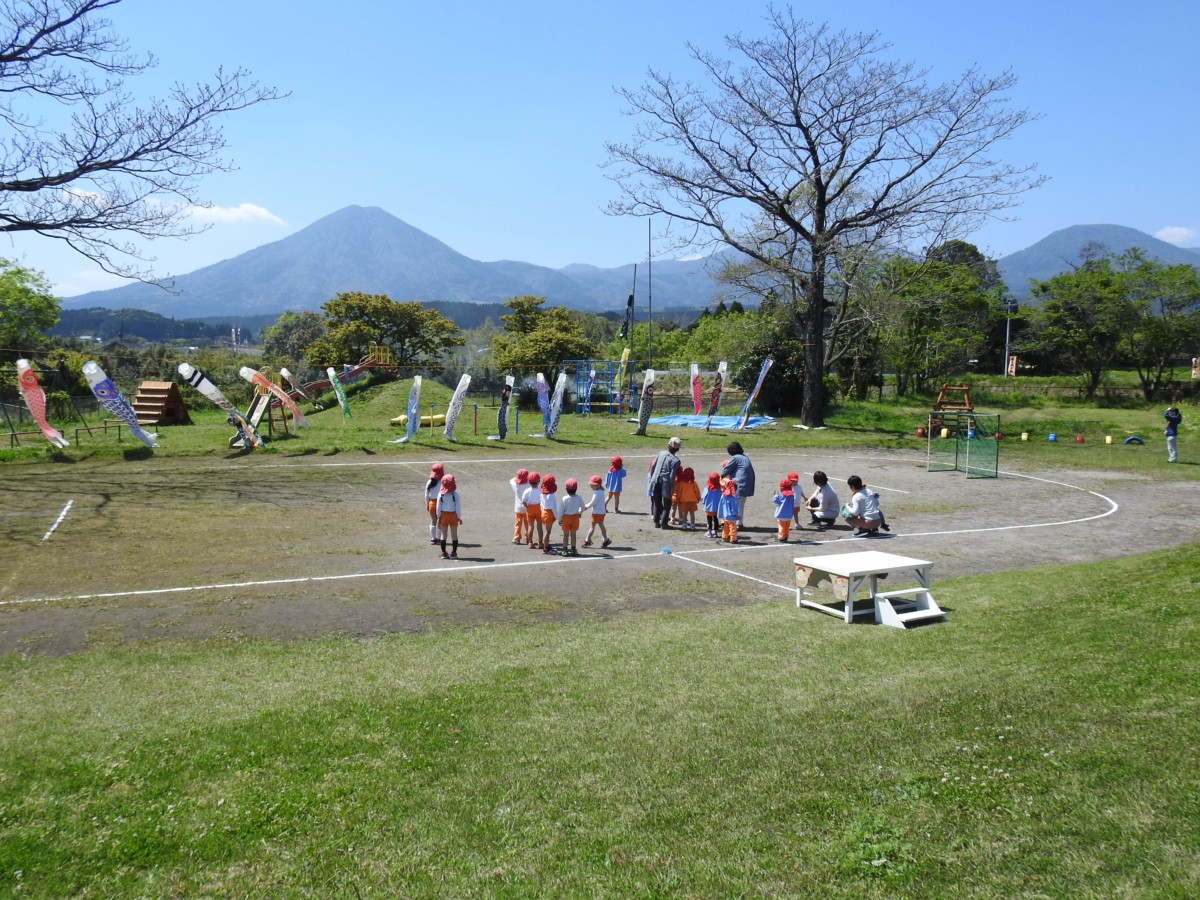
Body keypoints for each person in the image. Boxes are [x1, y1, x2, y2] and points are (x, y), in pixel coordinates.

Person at [648, 436, 683, 528]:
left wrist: (652, 478)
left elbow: (653, 466)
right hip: (666, 483)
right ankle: (664, 523)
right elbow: (672, 476)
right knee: (667, 504)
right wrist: (672, 487)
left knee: (657, 502)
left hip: (655, 480)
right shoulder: (676, 461)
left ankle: (656, 522)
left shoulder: (661, 453)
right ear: (678, 449)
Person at [721, 441, 756, 527]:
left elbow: (725, 471)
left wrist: (723, 479)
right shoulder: (744, 457)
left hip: (740, 484)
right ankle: (739, 523)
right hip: (747, 484)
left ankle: (732, 522)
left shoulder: (735, 458)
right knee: (741, 504)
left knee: (735, 504)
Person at [435, 474, 463, 559]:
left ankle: (444, 553)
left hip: (444, 515)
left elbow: (438, 507)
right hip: (453, 515)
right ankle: (454, 553)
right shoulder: (456, 495)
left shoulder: (441, 495)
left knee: (443, 535)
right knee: (454, 535)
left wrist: (438, 517)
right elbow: (458, 507)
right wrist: (459, 517)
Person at [583, 475, 612, 548]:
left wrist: (585, 507)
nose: (591, 486)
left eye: (593, 485)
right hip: (601, 512)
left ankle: (588, 540)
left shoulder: (597, 493)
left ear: (598, 485)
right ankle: (605, 539)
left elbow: (593, 502)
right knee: (601, 525)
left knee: (592, 527)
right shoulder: (601, 491)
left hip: (596, 513)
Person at [559, 478, 584, 555]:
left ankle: (565, 550)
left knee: (565, 535)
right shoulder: (579, 498)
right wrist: (579, 512)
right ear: (576, 488)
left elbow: (561, 511)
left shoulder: (564, 498)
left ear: (566, 489)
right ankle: (573, 549)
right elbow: (583, 507)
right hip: (575, 518)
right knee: (573, 534)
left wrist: (559, 519)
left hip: (566, 518)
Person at [424, 462, 445, 544]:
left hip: (432, 503)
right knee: (440, 521)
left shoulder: (429, 482)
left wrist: (427, 505)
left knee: (433, 521)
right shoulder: (443, 482)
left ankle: (433, 538)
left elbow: (426, 495)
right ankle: (439, 539)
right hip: (441, 503)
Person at [539, 474, 559, 554]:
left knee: (546, 530)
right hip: (549, 513)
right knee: (547, 531)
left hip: (543, 512)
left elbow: (541, 504)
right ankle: (546, 548)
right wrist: (556, 516)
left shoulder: (542, 494)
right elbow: (553, 507)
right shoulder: (551, 495)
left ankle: (546, 544)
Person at [509, 468, 530, 544]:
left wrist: (518, 477)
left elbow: (511, 480)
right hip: (526, 508)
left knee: (518, 523)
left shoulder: (515, 485)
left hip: (518, 508)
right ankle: (528, 537)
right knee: (527, 524)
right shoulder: (528, 485)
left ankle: (517, 538)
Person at [523, 472, 543, 549]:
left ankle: (530, 542)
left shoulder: (527, 491)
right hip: (538, 508)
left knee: (530, 526)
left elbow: (524, 501)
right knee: (539, 526)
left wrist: (527, 506)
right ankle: (540, 542)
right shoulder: (540, 490)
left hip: (530, 508)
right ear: (538, 481)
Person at [772, 478, 796, 542]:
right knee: (787, 527)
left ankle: (781, 537)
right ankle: (786, 536)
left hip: (781, 514)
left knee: (781, 527)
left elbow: (775, 500)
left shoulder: (781, 495)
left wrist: (776, 494)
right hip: (789, 515)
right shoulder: (792, 496)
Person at [718, 477, 741, 543]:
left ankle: (724, 537)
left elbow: (721, 506)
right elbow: (734, 508)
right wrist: (736, 515)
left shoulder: (723, 496)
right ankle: (733, 539)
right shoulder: (733, 498)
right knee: (733, 528)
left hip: (725, 516)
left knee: (725, 527)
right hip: (731, 516)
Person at [702, 472, 722, 538]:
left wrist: (704, 502)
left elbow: (703, 497)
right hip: (717, 508)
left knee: (709, 520)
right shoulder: (720, 489)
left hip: (708, 508)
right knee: (716, 520)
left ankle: (709, 532)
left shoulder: (707, 489)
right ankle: (715, 532)